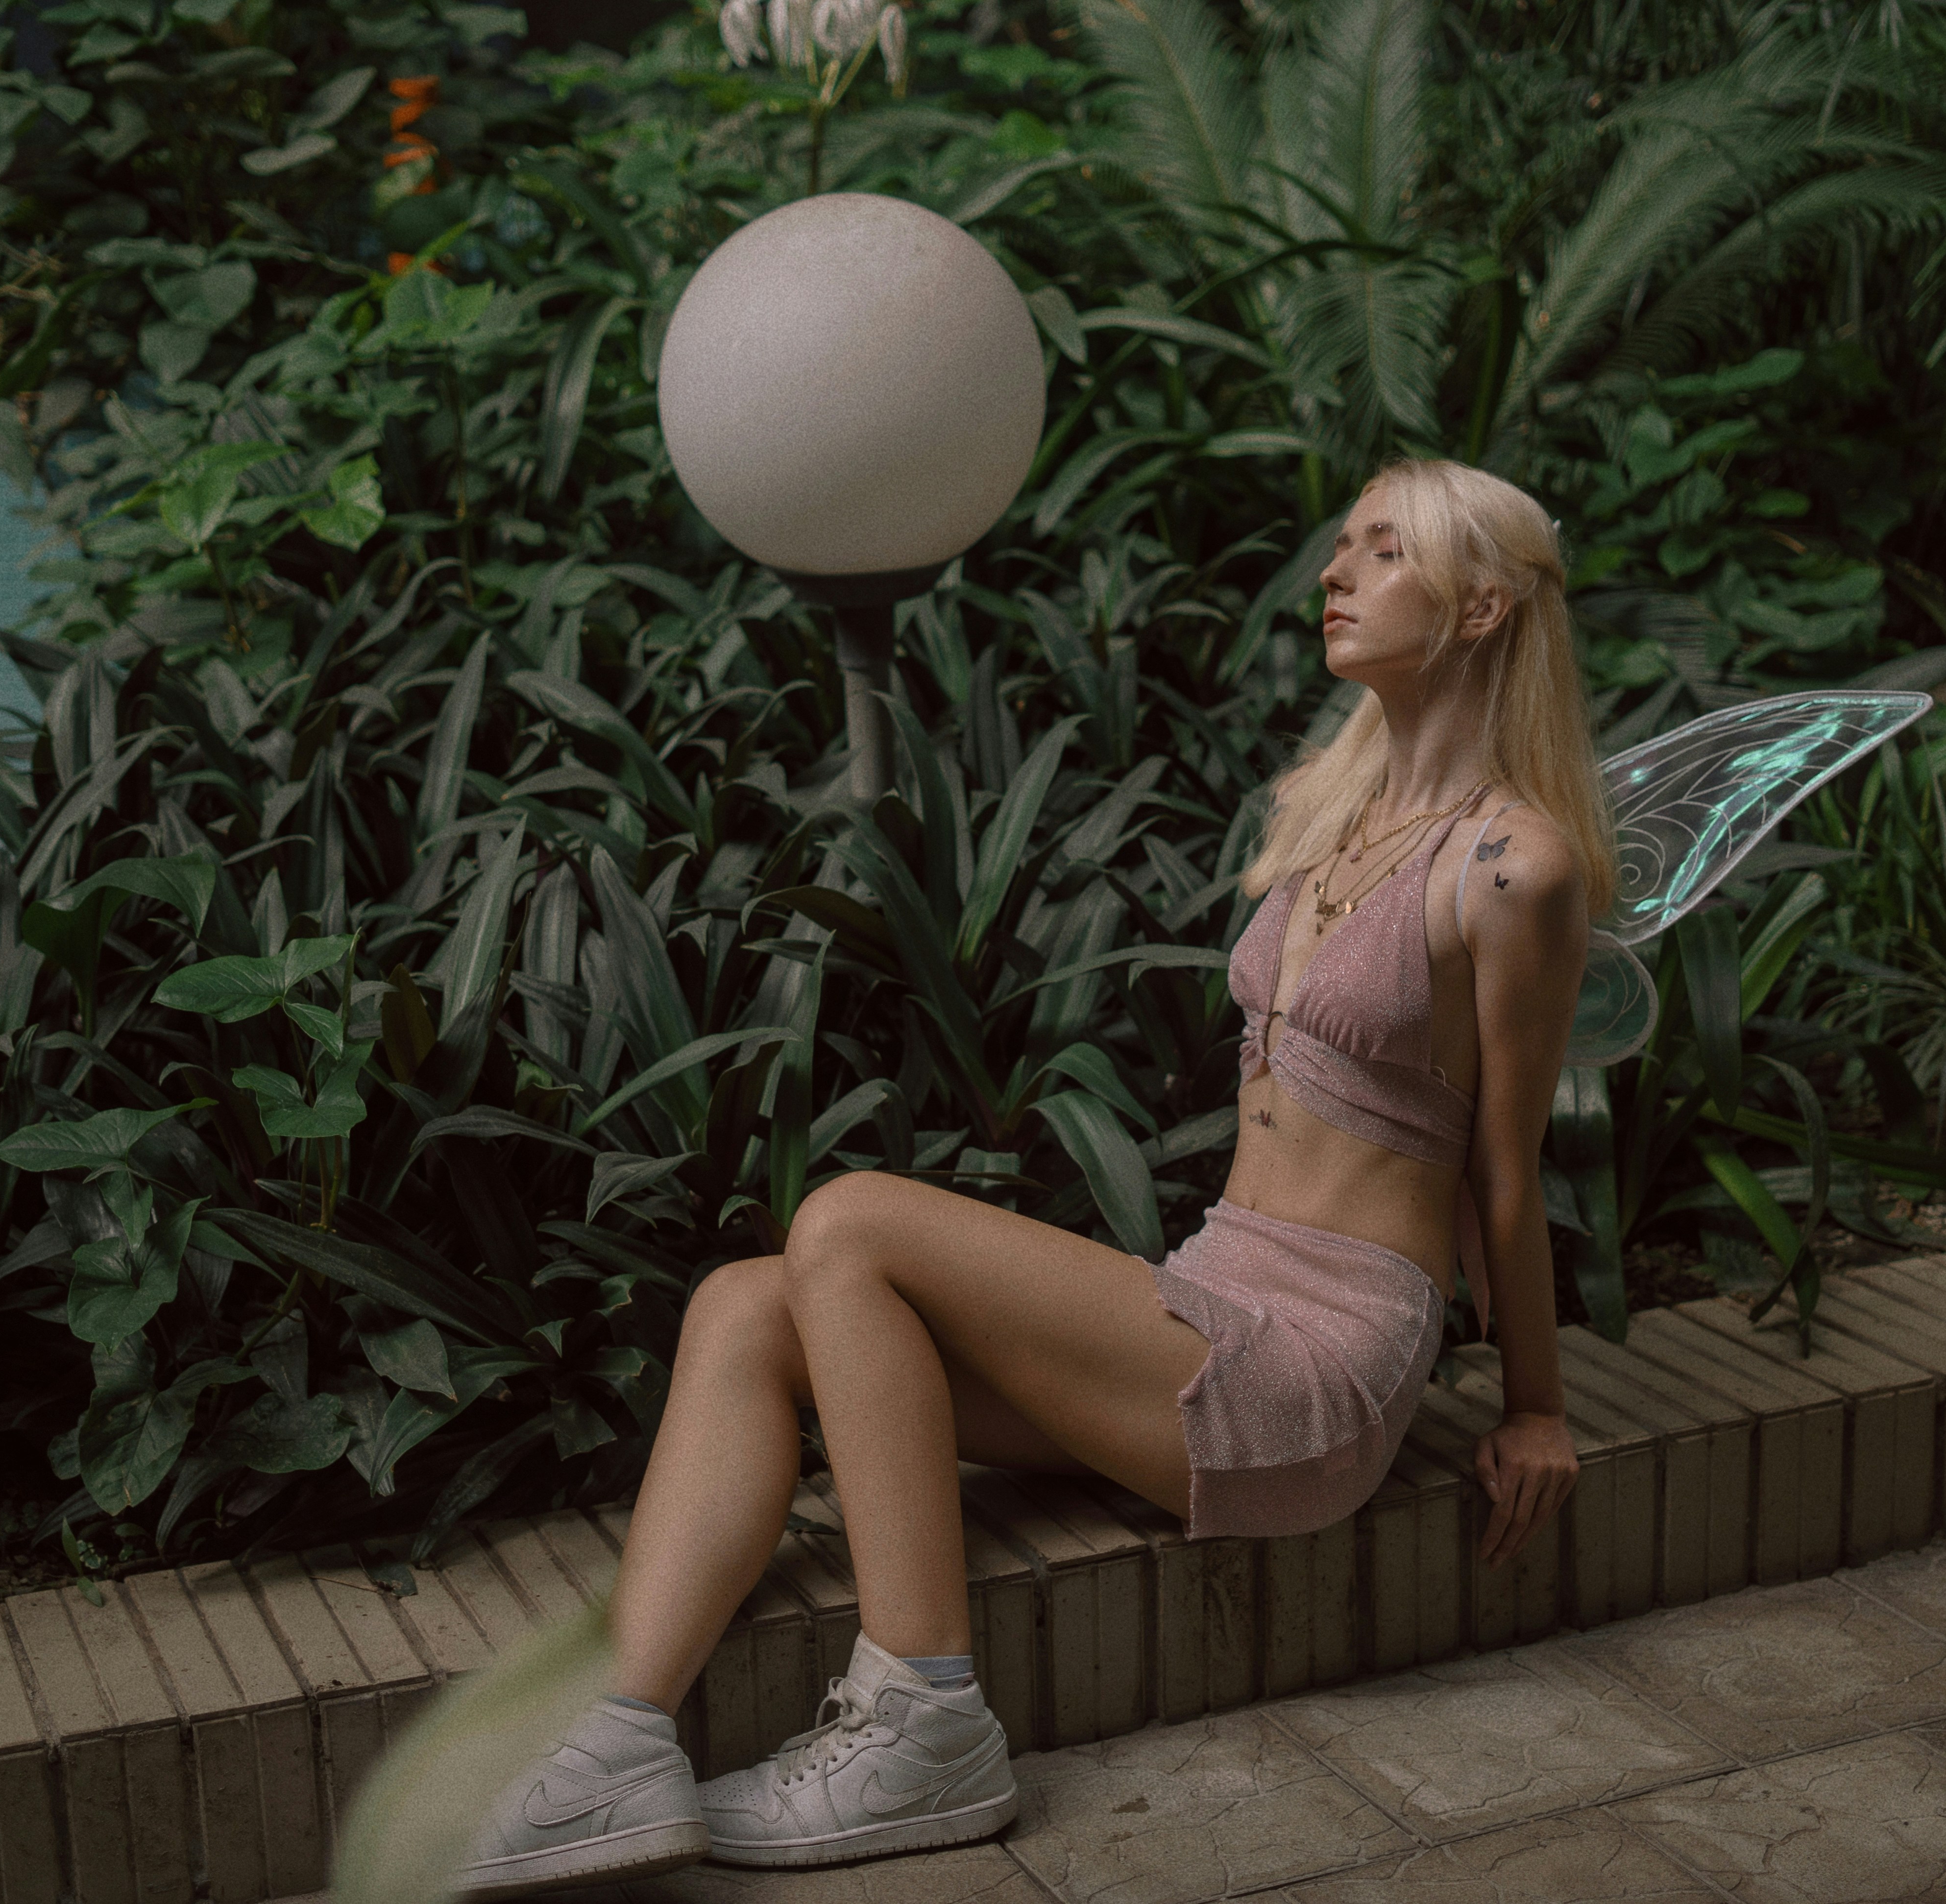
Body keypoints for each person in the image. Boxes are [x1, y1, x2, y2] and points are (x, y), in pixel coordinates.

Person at [457, 458, 1604, 1897]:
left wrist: (1540, 1408)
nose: (1335, 573)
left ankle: (925, 1714)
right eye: (1343, 549)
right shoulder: (1328, 802)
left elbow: (1506, 1168)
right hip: (1211, 1292)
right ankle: (619, 1741)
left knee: (850, 1220)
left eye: (1381, 552)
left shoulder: (1517, 868)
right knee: (749, 1305)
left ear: (1485, 606)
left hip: (1317, 1364)